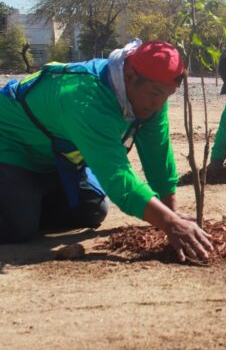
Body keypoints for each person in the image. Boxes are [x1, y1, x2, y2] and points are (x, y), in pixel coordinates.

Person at [0, 39, 213, 262]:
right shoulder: (85, 98)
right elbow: (116, 175)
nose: (159, 105)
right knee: (19, 226)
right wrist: (169, 223)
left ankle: (23, 198)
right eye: (156, 94)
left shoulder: (151, 92)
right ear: (130, 75)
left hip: (53, 159)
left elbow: (157, 152)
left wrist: (170, 210)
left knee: (93, 210)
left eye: (167, 96)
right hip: (11, 146)